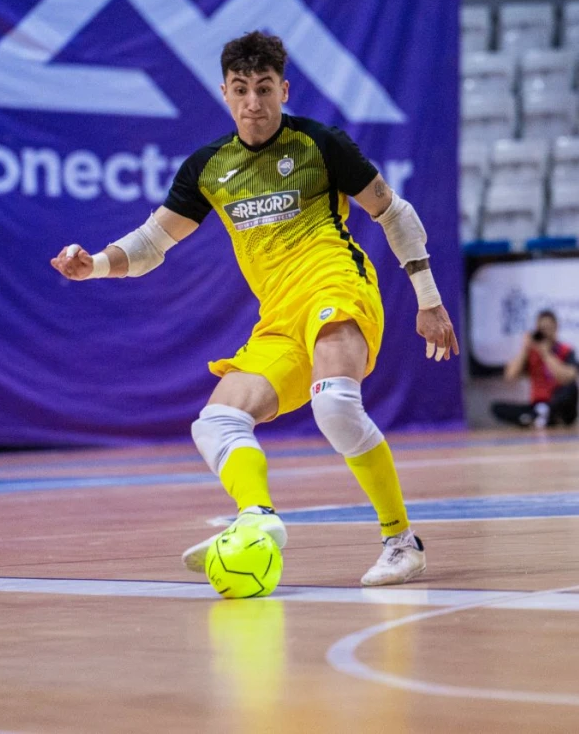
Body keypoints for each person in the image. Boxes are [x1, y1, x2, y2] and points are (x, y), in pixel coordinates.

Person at [52, 31, 459, 587]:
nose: (253, 102)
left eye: (264, 88)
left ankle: (402, 542)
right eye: (241, 89)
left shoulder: (320, 145)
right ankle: (256, 518)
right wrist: (95, 264)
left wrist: (428, 299)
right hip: (280, 319)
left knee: (335, 407)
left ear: (283, 90)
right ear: (224, 93)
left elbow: (395, 213)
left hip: (337, 287)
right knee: (215, 422)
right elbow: (151, 244)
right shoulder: (209, 168)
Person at [492, 309, 579, 428]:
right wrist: (525, 349)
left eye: (548, 328)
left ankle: (538, 417)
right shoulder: (531, 352)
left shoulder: (566, 350)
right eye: (542, 329)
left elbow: (569, 377)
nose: (545, 332)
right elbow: (510, 376)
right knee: (497, 408)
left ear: (556, 328)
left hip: (559, 405)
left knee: (571, 388)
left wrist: (546, 354)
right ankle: (540, 417)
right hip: (538, 404)